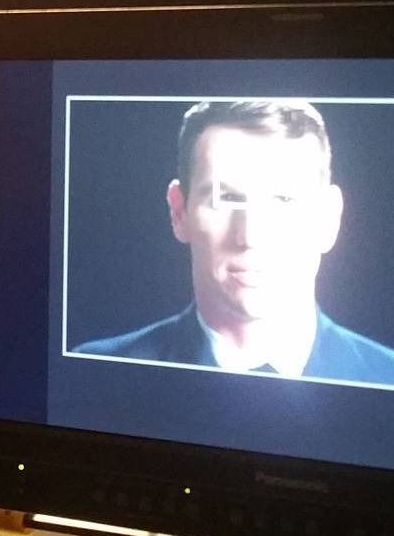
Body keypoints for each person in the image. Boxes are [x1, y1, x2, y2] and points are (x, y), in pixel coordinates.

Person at [73, 99, 394, 384]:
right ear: (179, 211)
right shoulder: (94, 374)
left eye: (283, 199)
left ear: (328, 218)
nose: (250, 236)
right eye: (225, 198)